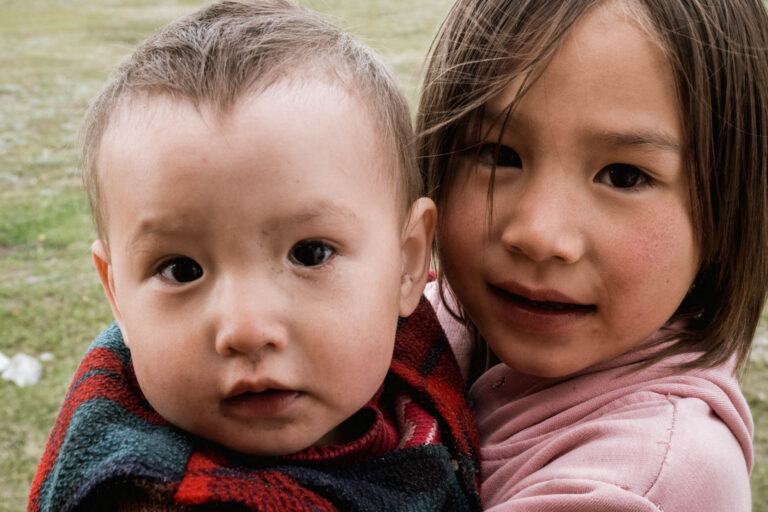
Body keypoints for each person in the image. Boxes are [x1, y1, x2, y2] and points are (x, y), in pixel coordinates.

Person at [28, 1, 481, 510]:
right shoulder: (143, 491)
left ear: (407, 264)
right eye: (181, 270)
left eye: (310, 253)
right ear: (117, 296)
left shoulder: (429, 363)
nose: (246, 330)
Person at [416, 0, 768, 510]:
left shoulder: (640, 483)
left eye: (623, 176)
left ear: (728, 212)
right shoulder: (437, 318)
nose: (540, 235)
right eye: (498, 154)